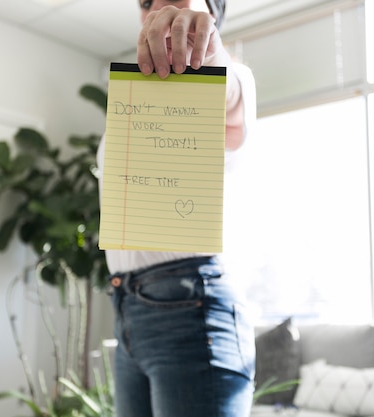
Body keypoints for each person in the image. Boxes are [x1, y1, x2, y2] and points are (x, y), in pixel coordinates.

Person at [96, 1, 257, 416]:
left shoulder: (233, 77)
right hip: (128, 309)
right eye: (147, 0)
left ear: (212, 12)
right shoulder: (139, 100)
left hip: (192, 311)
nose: (159, 6)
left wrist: (209, 51)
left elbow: (231, 94)